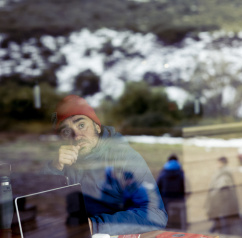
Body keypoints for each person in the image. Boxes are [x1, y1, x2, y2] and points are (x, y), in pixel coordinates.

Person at [42, 95, 168, 235]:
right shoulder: (64, 162)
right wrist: (55, 168)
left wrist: (94, 225)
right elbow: (47, 210)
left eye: (81, 125)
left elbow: (156, 215)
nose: (76, 135)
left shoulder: (124, 158)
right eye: (66, 131)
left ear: (97, 126)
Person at [205, 156, 241, 235]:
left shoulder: (224, 175)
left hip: (222, 205)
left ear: (222, 163)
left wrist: (214, 200)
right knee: (222, 223)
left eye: (218, 162)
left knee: (224, 225)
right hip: (222, 205)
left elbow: (221, 190)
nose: (217, 164)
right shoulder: (222, 172)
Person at [157, 154, 187, 230]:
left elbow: (158, 186)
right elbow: (184, 186)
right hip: (178, 199)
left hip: (166, 199)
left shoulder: (163, 172)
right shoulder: (181, 172)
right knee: (180, 218)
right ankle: (181, 230)